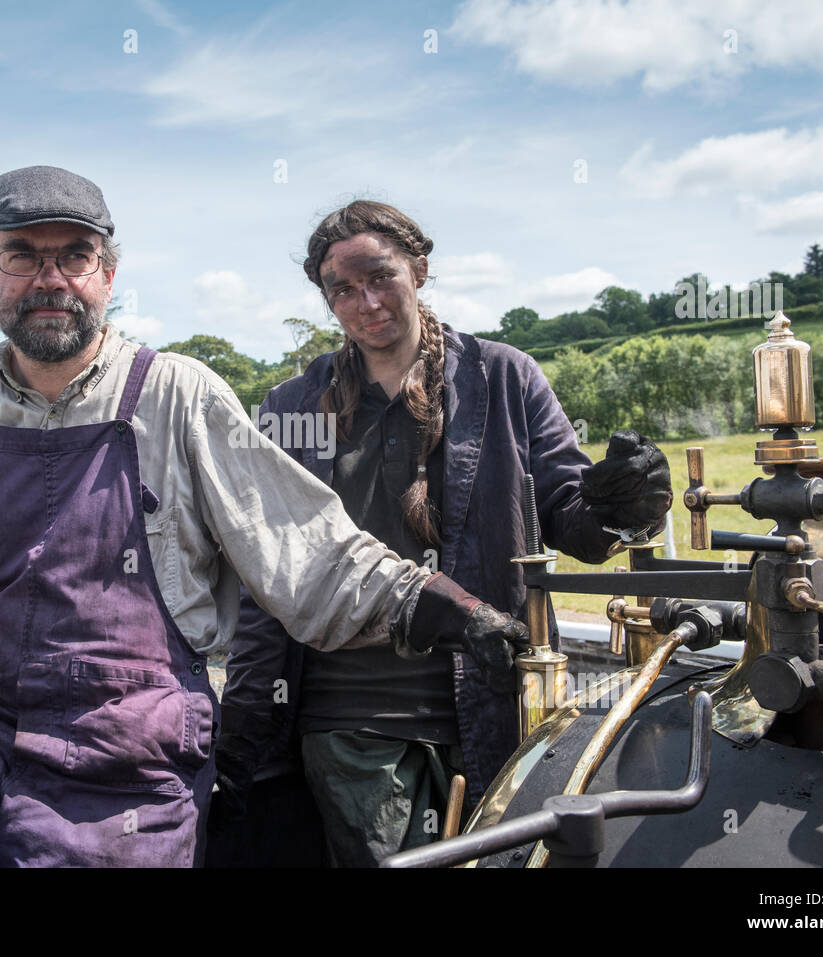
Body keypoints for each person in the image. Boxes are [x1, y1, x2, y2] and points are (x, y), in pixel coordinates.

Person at [0, 168, 531, 868]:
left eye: (74, 256)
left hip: (132, 745)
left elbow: (306, 549)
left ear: (107, 275)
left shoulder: (177, 395)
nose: (50, 279)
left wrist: (441, 606)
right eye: (21, 255)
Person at [210, 201, 672, 867]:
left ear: (419, 269)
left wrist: (629, 503)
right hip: (350, 723)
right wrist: (247, 729)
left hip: (495, 700)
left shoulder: (505, 378)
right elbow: (267, 578)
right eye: (343, 289)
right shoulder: (291, 409)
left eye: (381, 276)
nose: (366, 302)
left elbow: (577, 521)